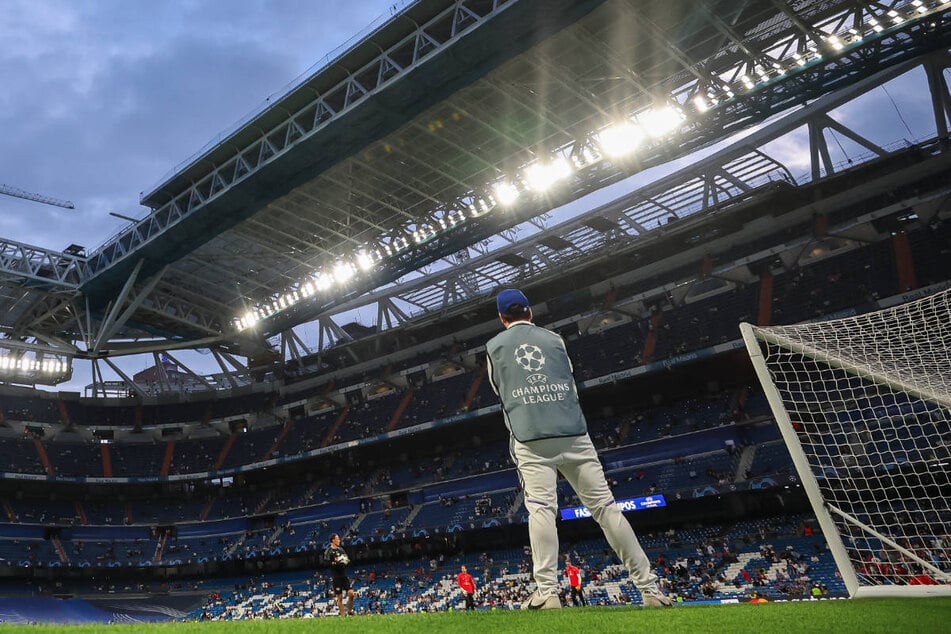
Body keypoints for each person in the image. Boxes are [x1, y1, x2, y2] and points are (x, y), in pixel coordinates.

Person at [486, 289, 672, 610]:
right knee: (605, 508)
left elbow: (501, 392)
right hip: (573, 433)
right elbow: (569, 383)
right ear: (530, 312)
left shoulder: (493, 348)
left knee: (542, 510)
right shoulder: (555, 340)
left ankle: (547, 594)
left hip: (531, 437)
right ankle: (650, 590)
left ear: (502, 318)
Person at [324, 533, 355, 616]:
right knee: (340, 598)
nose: (339, 540)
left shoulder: (341, 550)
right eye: (338, 538)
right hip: (336, 577)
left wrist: (344, 561)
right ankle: (342, 616)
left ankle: (349, 610)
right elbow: (326, 562)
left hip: (343, 575)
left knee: (351, 594)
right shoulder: (328, 551)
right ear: (333, 540)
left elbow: (347, 560)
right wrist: (335, 562)